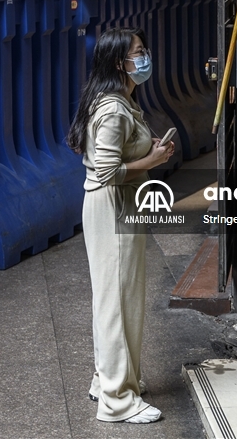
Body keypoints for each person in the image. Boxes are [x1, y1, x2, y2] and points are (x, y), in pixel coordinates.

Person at [66, 27, 175, 424]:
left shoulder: (120, 101)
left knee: (114, 299)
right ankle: (117, 401)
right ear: (119, 63)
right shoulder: (113, 109)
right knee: (117, 303)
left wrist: (148, 153)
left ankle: (107, 380)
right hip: (112, 206)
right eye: (138, 52)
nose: (145, 58)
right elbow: (109, 171)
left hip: (116, 205)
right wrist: (154, 160)